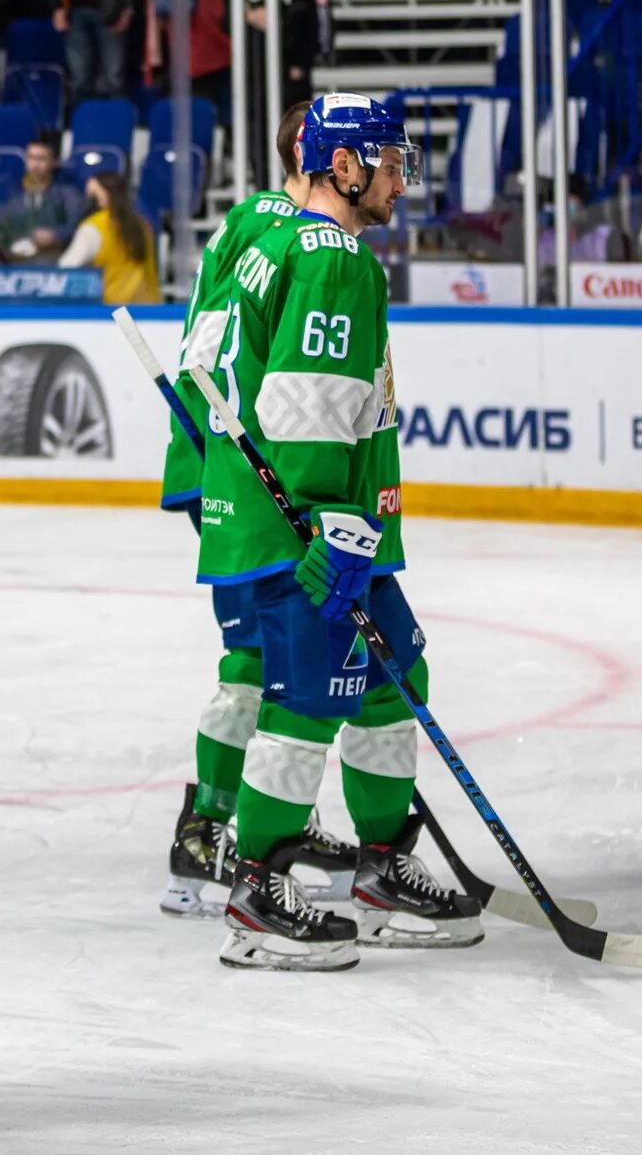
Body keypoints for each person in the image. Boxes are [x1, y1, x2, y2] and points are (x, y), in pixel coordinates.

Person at [186, 93, 477, 967]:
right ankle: (259, 887)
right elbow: (305, 406)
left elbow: (203, 362)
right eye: (388, 162)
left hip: (296, 517)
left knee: (394, 671)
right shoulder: (335, 258)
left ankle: (384, 864)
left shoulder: (267, 243)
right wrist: (337, 526)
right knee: (307, 697)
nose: (400, 178)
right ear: (343, 167)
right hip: (310, 528)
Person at [156, 102, 332, 918]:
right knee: (261, 663)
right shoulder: (271, 223)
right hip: (236, 465)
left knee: (268, 658)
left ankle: (251, 818)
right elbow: (216, 353)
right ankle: (208, 829)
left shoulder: (259, 223)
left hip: (223, 460)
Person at [57, 157, 161, 303]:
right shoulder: (142, 224)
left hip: (113, 311)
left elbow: (67, 266)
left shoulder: (94, 226)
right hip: (148, 307)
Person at [0, 139, 86, 263]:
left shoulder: (68, 194)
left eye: (41, 159)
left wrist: (56, 236)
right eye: (31, 158)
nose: (35, 164)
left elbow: (79, 226)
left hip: (54, 262)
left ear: (54, 162)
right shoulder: (10, 194)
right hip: (14, 261)